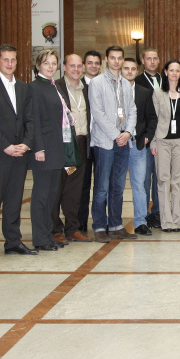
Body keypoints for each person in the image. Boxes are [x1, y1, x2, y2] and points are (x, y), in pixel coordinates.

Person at [0, 44, 37, 259]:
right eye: (6, 60)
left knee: (14, 198)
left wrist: (26, 143)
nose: (10, 64)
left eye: (13, 60)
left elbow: (30, 119)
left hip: (20, 152)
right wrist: (5, 145)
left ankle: (13, 240)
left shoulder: (23, 87)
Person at [29, 50, 81, 252]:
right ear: (38, 65)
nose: (50, 67)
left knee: (52, 196)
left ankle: (48, 234)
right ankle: (39, 237)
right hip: (44, 149)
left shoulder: (54, 86)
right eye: (46, 63)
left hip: (58, 147)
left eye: (53, 63)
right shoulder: (34, 88)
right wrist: (38, 147)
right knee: (41, 195)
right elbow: (34, 120)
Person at [89, 45, 137, 242]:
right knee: (101, 187)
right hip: (104, 142)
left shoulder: (126, 84)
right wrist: (116, 133)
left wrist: (127, 133)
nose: (116, 61)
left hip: (123, 142)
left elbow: (132, 110)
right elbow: (98, 112)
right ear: (107, 60)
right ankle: (100, 226)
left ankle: (116, 224)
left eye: (119, 58)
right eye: (113, 58)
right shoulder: (97, 83)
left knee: (118, 186)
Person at [52, 54, 93, 243]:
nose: (76, 69)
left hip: (81, 143)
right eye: (72, 66)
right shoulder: (56, 87)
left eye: (79, 66)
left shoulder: (86, 89)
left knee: (75, 189)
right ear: (64, 67)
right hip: (62, 144)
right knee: (57, 187)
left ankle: (72, 228)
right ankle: (54, 229)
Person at [151, 60, 180, 232]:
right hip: (162, 140)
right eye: (171, 70)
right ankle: (165, 221)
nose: (175, 73)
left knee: (178, 180)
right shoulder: (158, 93)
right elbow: (154, 119)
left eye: (178, 70)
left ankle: (177, 220)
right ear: (166, 72)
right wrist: (153, 141)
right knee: (163, 180)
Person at [122, 57, 158, 236]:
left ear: (137, 71)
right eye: (126, 68)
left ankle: (140, 221)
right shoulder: (114, 91)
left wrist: (147, 138)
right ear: (121, 70)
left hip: (137, 143)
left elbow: (152, 118)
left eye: (132, 69)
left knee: (140, 184)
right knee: (116, 186)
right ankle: (113, 222)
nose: (129, 71)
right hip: (117, 144)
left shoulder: (144, 92)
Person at [136, 46, 162, 220]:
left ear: (159, 61)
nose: (152, 61)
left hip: (165, 138)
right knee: (144, 179)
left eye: (155, 58)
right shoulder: (137, 81)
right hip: (145, 137)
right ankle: (143, 215)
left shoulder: (166, 79)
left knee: (161, 179)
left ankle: (158, 212)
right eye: (148, 58)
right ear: (143, 61)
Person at [79, 50, 102, 233]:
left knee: (102, 184)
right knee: (82, 184)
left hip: (102, 140)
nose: (93, 65)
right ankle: (80, 223)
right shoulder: (78, 86)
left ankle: (100, 222)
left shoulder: (103, 85)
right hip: (84, 142)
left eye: (96, 63)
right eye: (90, 62)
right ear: (84, 65)